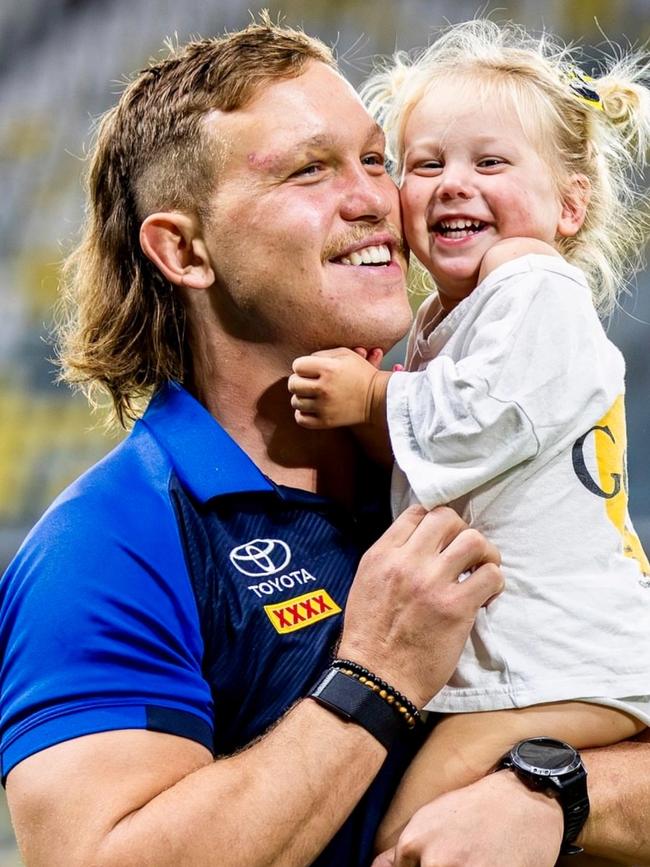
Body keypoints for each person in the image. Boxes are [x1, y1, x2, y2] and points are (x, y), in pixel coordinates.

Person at [0, 15, 648, 867]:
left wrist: (552, 794)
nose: (377, 198)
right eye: (312, 170)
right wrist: (375, 676)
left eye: (378, 160)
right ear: (185, 249)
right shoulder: (109, 543)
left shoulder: (476, 452)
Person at [287, 18, 650, 859]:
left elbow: (479, 421)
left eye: (490, 163)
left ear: (569, 202)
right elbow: (438, 464)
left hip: (559, 657)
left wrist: (374, 395)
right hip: (547, 655)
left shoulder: (534, 287)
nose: (454, 184)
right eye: (425, 164)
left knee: (410, 832)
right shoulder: (449, 317)